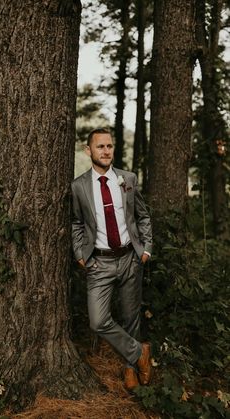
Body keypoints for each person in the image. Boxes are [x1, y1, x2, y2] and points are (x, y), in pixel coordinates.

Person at [71, 128, 152, 390]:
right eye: (100, 147)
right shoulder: (79, 186)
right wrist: (80, 254)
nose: (106, 151)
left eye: (109, 146)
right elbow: (76, 223)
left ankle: (130, 369)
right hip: (99, 263)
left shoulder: (127, 179)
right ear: (89, 151)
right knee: (98, 320)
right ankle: (139, 353)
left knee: (131, 318)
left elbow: (143, 215)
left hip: (130, 257)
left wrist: (146, 248)